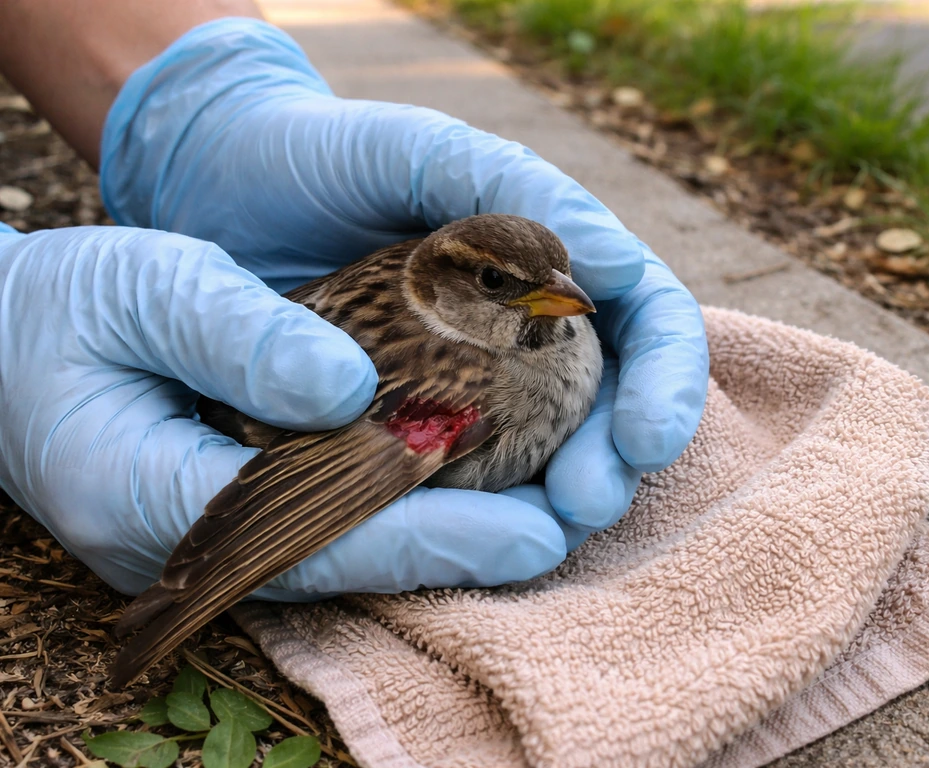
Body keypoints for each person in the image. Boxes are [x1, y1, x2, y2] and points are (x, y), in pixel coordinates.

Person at [0, 1, 709, 601]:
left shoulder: (476, 292)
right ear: (438, 282)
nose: (560, 301)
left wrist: (202, 94)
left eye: (558, 282)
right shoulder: (469, 374)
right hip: (272, 429)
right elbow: (353, 462)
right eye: (498, 286)